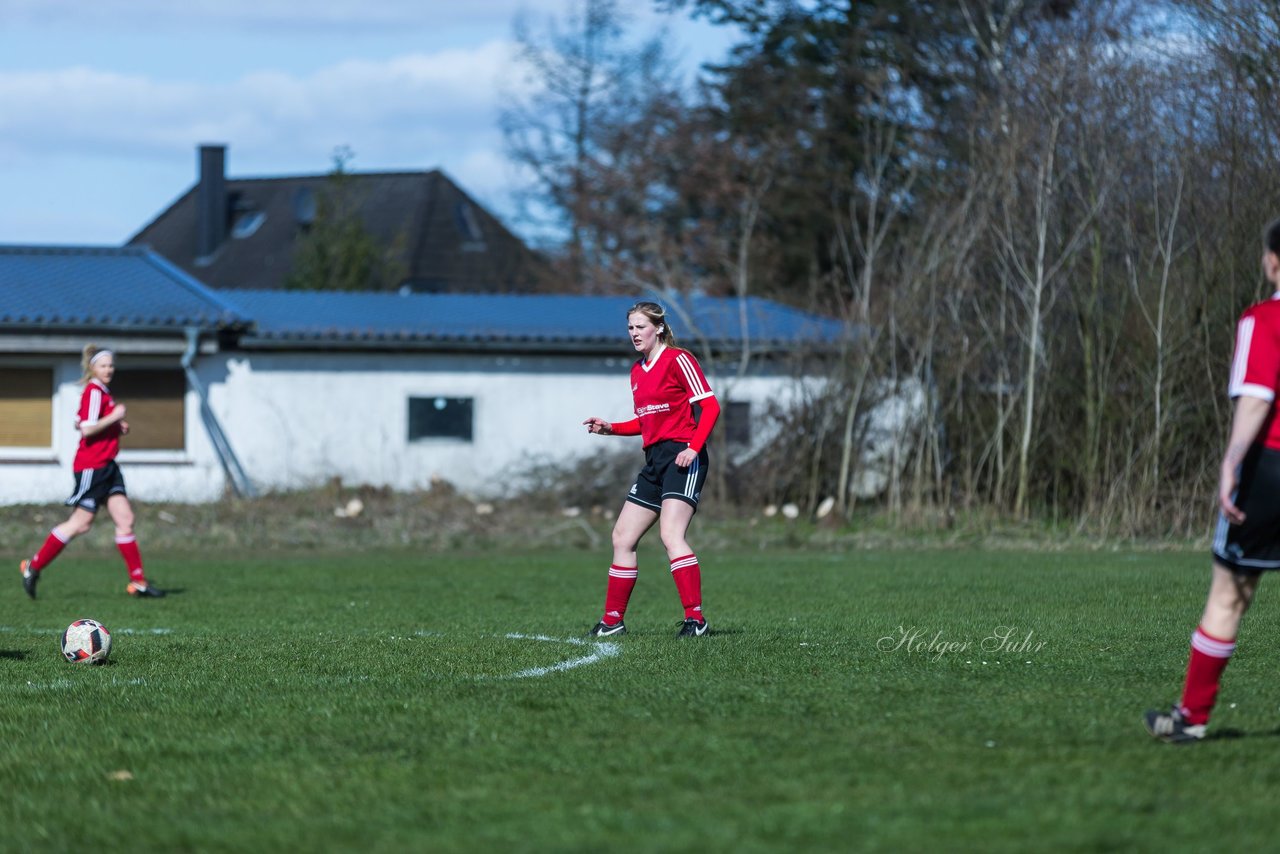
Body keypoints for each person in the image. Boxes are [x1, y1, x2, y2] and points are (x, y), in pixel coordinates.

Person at [1144, 219, 1280, 742]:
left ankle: (1192, 719)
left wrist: (1230, 462)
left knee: (1228, 596)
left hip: (1269, 470)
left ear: (1272, 260)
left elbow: (1257, 398)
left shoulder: (1263, 320)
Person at [582, 301, 721, 638]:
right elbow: (647, 423)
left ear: (658, 328)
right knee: (622, 537)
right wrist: (611, 428)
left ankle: (696, 620)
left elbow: (710, 406)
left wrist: (693, 448)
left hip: (683, 455)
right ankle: (613, 622)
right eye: (630, 328)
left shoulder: (679, 359)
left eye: (640, 327)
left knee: (671, 536)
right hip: (655, 460)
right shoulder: (636, 371)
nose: (634, 333)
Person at [19, 345, 165, 599]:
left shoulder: (102, 393)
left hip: (108, 466)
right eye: (103, 365)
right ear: (92, 368)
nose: (108, 369)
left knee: (125, 519)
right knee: (80, 523)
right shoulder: (95, 391)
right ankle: (33, 566)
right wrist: (115, 416)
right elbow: (87, 429)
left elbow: (80, 419)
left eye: (111, 365)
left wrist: (117, 426)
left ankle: (138, 582)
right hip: (92, 467)